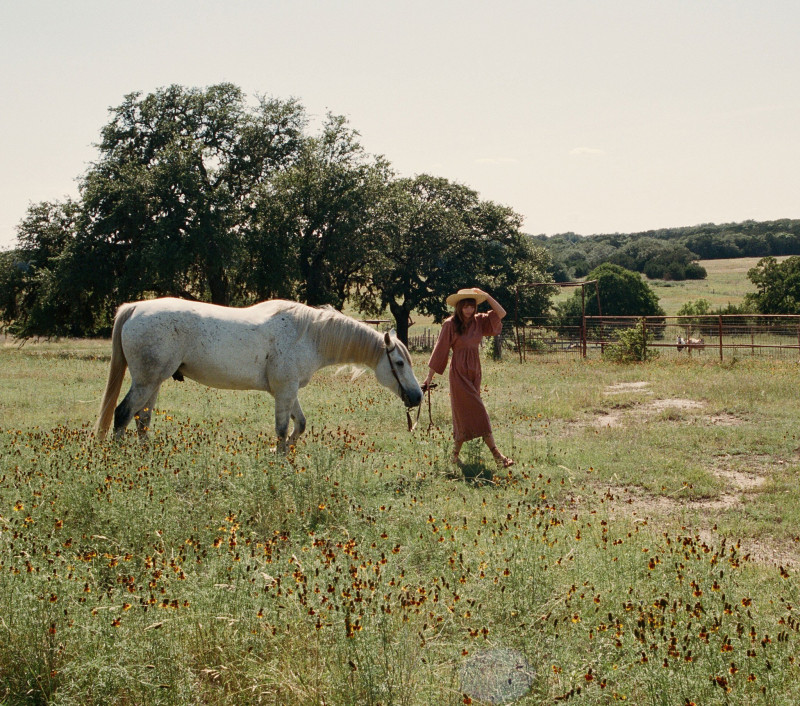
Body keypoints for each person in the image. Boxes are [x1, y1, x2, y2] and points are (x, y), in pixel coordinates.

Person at [423, 287, 514, 470]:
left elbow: (501, 313)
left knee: (464, 415)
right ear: (459, 307)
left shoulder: (479, 322)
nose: (469, 310)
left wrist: (486, 295)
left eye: (471, 306)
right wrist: (428, 378)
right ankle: (498, 456)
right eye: (465, 306)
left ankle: (454, 457)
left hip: (475, 371)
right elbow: (440, 351)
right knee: (479, 411)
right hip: (459, 373)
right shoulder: (450, 324)